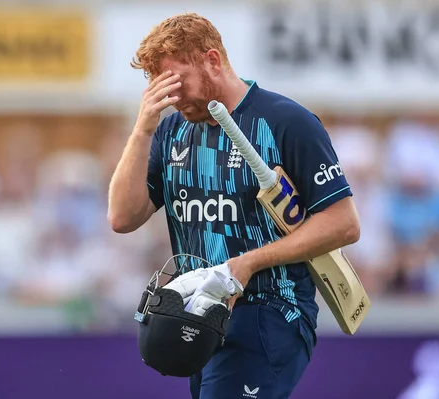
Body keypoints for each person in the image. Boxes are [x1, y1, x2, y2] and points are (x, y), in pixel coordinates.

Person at [108, 12, 361, 399]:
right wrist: (143, 129)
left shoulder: (285, 121)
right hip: (199, 317)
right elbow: (122, 218)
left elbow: (343, 224)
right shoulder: (171, 130)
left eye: (177, 81)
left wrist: (246, 264)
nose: (172, 98)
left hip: (270, 312)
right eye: (162, 87)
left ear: (212, 61)